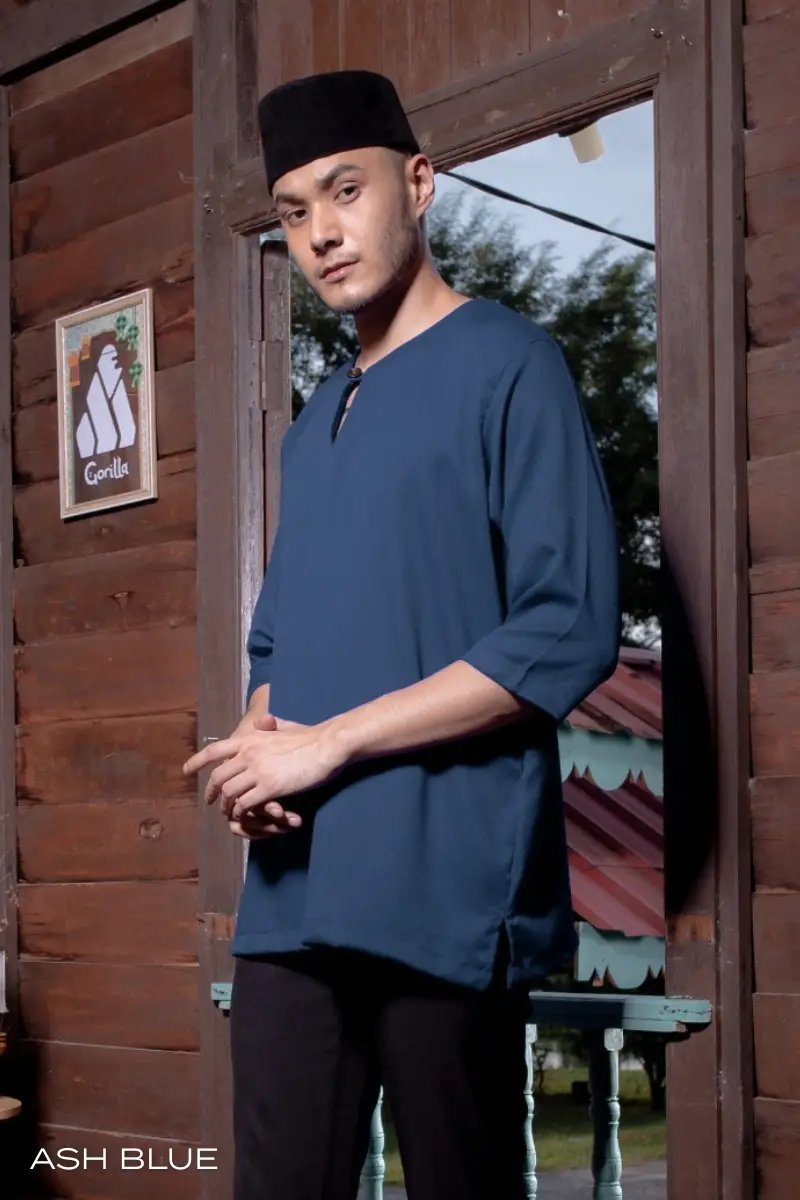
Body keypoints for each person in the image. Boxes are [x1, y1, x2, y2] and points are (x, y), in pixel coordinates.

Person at [183, 69, 620, 1200]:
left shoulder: (510, 363)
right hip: (294, 895)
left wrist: (329, 744)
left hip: (444, 884)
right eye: (293, 213)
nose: (321, 234)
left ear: (417, 184)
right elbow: (278, 644)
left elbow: (566, 627)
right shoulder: (313, 422)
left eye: (346, 191)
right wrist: (258, 752)